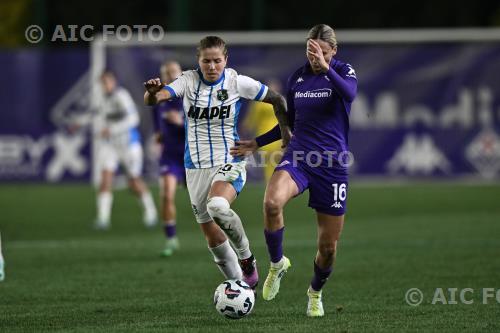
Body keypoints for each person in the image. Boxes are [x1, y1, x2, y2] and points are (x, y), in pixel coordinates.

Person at [144, 36, 290, 290]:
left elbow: (278, 100)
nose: (212, 66)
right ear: (199, 61)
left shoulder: (236, 82)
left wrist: (281, 133)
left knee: (218, 206)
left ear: (226, 60)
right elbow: (156, 99)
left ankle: (246, 258)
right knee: (213, 239)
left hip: (229, 159)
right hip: (195, 167)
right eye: (206, 61)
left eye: (217, 61)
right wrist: (152, 93)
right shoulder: (188, 80)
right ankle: (239, 288)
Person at [231, 24, 357, 316]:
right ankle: (277, 264)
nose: (316, 58)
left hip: (332, 166)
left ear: (333, 51)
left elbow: (349, 95)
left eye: (322, 53)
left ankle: (315, 292)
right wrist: (257, 143)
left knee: (328, 248)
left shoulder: (343, 71)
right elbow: (289, 122)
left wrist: (327, 67)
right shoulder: (297, 78)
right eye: (311, 52)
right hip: (299, 157)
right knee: (272, 202)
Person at [95, 71, 158, 229]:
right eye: (103, 82)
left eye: (108, 82)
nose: (106, 85)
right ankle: (103, 218)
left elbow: (133, 118)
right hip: (111, 145)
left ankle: (150, 212)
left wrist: (112, 129)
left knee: (134, 181)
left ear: (114, 82)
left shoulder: (121, 96)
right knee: (105, 178)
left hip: (129, 144)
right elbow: (103, 120)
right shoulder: (102, 99)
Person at [152, 61, 185, 256]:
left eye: (173, 72)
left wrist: (181, 124)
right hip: (170, 157)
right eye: (166, 73)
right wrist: (158, 132)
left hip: (192, 158)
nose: (170, 76)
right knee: (166, 194)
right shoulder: (159, 100)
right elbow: (158, 126)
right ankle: (171, 239)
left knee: (206, 204)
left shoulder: (192, 97)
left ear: (181, 75)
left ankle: (218, 241)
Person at [242, 78, 284, 182]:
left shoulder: (260, 103)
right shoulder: (281, 101)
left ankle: (271, 182)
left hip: (268, 136)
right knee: (274, 160)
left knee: (271, 161)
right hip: (275, 135)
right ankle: (274, 182)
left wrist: (246, 128)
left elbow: (252, 119)